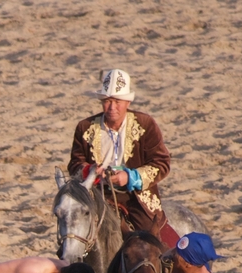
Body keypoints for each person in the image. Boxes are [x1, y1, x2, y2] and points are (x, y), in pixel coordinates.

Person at [68, 68, 171, 236]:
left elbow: (162, 163)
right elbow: (74, 164)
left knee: (149, 243)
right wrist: (91, 171)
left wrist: (130, 177)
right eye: (107, 101)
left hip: (136, 198)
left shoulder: (145, 124)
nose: (112, 107)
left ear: (127, 103)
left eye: (118, 101)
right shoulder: (85, 127)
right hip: (98, 196)